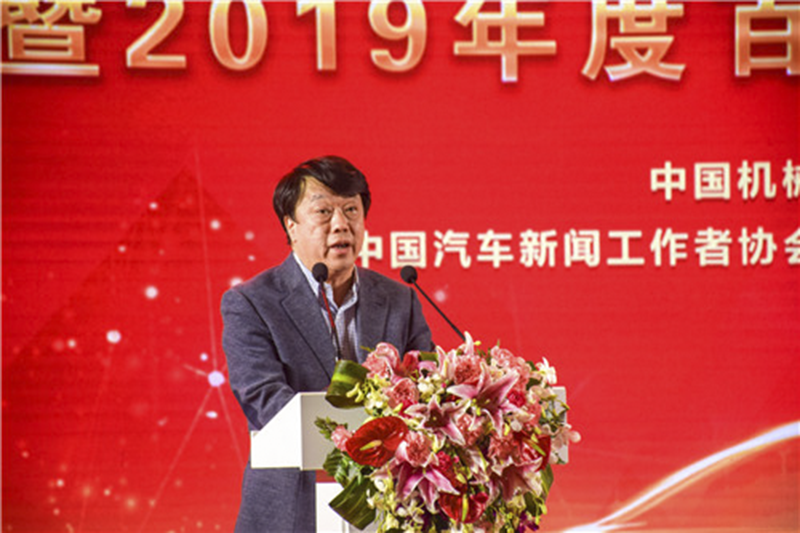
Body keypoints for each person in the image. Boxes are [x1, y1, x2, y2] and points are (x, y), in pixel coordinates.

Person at [221, 155, 433, 532]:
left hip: (387, 507)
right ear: (291, 225)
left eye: (351, 210)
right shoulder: (251, 303)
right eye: (323, 212)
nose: (340, 224)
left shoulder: (400, 299)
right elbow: (264, 400)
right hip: (292, 507)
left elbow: (428, 387)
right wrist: (356, 435)